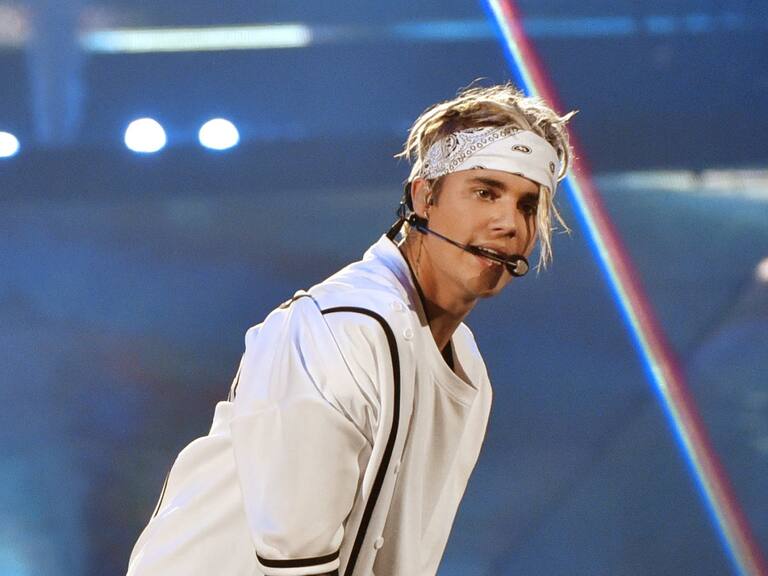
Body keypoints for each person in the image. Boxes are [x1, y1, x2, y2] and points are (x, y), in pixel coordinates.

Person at [126, 83, 574, 576]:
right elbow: (296, 561)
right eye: (485, 192)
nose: (508, 223)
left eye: (527, 205)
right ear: (423, 197)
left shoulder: (466, 362)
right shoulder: (341, 328)